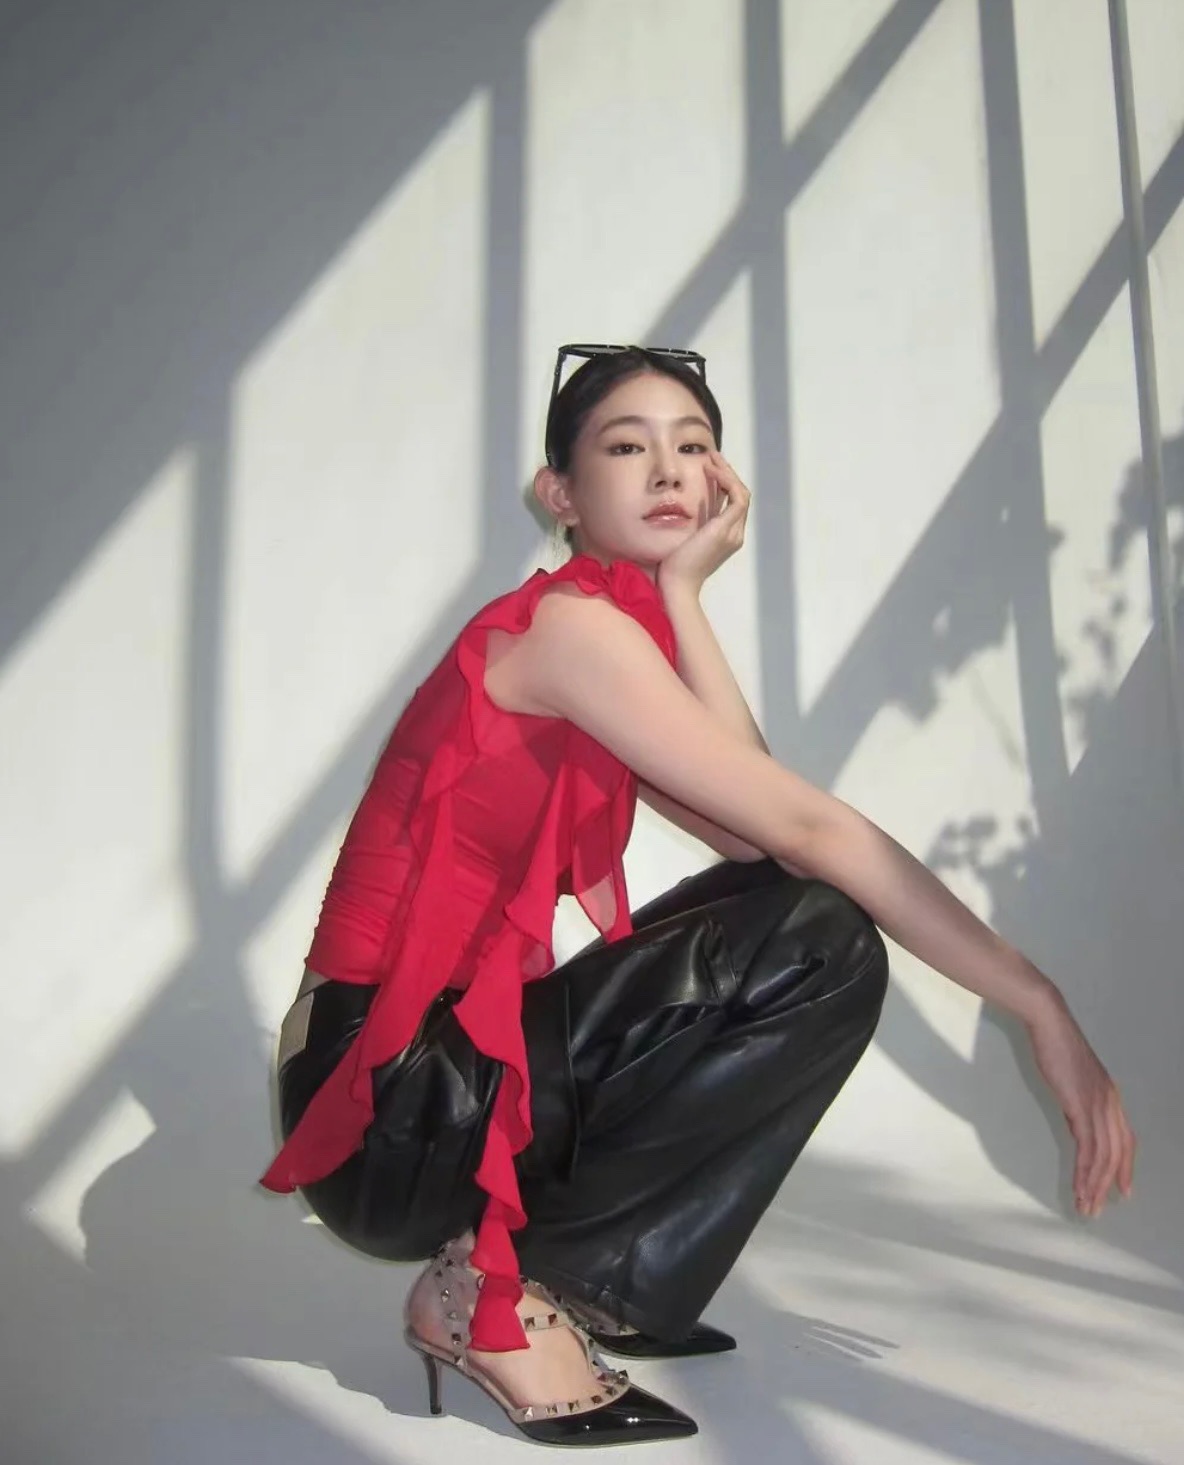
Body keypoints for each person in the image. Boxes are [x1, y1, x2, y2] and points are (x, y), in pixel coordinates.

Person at [261, 344, 1137, 1448]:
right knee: (818, 935)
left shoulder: (606, 630)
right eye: (627, 447)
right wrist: (1036, 1000)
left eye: (694, 445)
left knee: (804, 923)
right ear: (560, 493)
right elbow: (812, 831)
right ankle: (490, 1297)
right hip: (384, 1107)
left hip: (416, 1085)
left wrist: (683, 596)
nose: (670, 469)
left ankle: (598, 1278)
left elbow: (770, 840)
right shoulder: (568, 634)